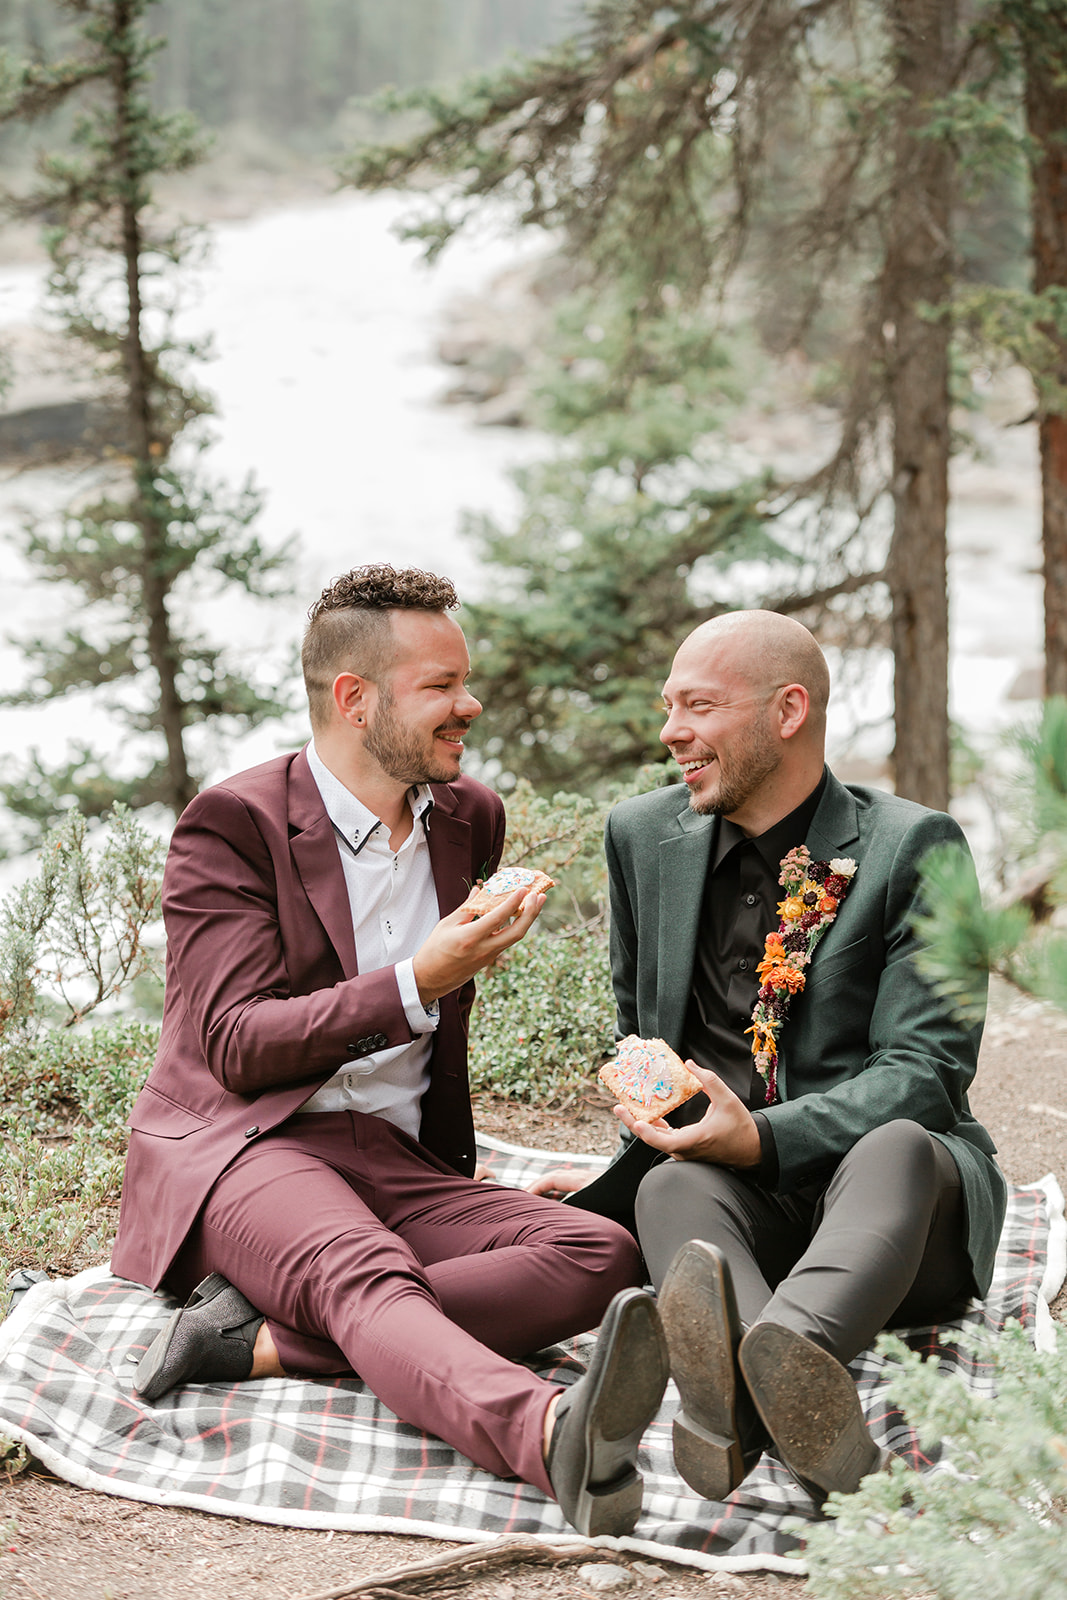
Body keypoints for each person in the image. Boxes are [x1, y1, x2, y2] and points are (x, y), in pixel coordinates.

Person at [111, 565, 669, 1538]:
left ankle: (260, 1341)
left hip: (399, 1158)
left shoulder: (468, 818)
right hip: (253, 1145)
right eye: (441, 686)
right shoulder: (233, 825)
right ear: (353, 699)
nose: (471, 703)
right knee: (362, 1270)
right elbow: (236, 1046)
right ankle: (546, 1432)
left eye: (467, 679)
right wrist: (419, 978)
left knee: (599, 1249)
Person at [551, 609, 1006, 1503]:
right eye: (666, 707)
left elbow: (924, 1073)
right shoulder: (639, 836)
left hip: (898, 1218)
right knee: (666, 1184)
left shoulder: (913, 846)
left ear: (787, 710)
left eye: (698, 706)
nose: (669, 732)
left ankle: (758, 1377)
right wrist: (655, 1104)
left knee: (899, 1143)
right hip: (733, 1207)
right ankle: (794, 1397)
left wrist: (755, 1139)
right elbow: (635, 1030)